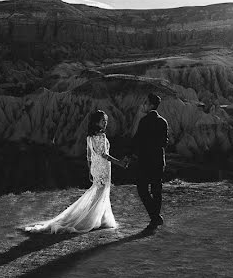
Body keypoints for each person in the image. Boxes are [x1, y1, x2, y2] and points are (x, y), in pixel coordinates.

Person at [24, 110, 127, 233]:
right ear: (96, 122)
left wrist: (90, 170)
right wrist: (119, 162)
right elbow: (104, 154)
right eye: (103, 121)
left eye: (106, 121)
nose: (105, 123)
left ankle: (99, 218)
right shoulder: (101, 136)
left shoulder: (90, 136)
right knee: (101, 193)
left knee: (98, 193)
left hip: (96, 168)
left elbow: (89, 156)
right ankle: (93, 219)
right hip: (103, 168)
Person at [132, 93, 169, 229]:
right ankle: (155, 217)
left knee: (142, 189)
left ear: (152, 105)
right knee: (156, 189)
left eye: (146, 103)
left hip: (145, 161)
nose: (144, 105)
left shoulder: (144, 121)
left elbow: (137, 140)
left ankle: (154, 216)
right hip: (158, 160)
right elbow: (164, 142)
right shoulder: (163, 122)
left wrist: (130, 154)